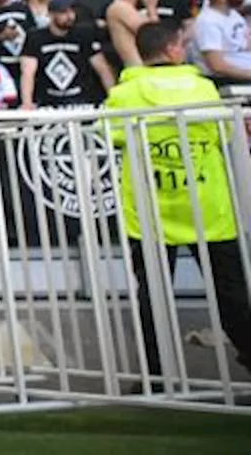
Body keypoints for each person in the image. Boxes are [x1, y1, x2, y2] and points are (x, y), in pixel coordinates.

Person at [104, 21, 251, 384]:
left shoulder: (125, 94)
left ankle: (157, 378)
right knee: (232, 296)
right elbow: (226, 133)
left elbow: (110, 136)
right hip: (208, 205)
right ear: (173, 49)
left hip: (151, 208)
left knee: (153, 297)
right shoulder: (203, 88)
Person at [19, 0, 116, 109]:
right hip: (48, 103)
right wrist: (27, 102)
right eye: (64, 12)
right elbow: (28, 72)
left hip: (82, 102)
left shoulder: (83, 35)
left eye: (71, 11)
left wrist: (113, 97)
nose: (70, 16)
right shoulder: (36, 38)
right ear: (50, 14)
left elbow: (102, 68)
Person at [189, 0, 251, 85]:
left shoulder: (233, 14)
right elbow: (217, 66)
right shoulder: (208, 22)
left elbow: (245, 44)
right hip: (228, 80)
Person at [105, 0, 158, 71]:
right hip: (137, 69)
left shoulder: (131, 8)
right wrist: (151, 8)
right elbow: (152, 34)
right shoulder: (120, 7)